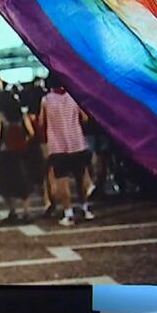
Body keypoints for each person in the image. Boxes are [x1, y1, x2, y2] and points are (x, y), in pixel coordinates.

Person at [43, 83, 94, 226]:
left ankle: (68, 213)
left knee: (62, 181)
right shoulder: (74, 97)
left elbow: (42, 121)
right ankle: (85, 208)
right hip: (77, 143)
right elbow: (85, 118)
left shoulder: (46, 100)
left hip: (58, 146)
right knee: (80, 178)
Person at [0, 91, 35, 222]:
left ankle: (12, 210)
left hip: (5, 154)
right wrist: (24, 142)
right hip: (21, 153)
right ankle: (27, 212)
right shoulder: (21, 115)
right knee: (23, 182)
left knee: (3, 184)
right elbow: (31, 132)